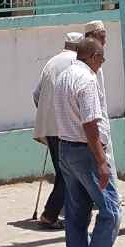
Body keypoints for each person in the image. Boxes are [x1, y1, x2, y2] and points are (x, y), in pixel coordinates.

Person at [55, 36, 121, 247]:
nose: (102, 63)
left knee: (76, 218)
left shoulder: (63, 77)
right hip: (86, 153)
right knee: (112, 212)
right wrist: (102, 162)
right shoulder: (87, 79)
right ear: (92, 57)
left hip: (66, 149)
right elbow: (90, 124)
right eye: (101, 58)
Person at [33, 31, 83, 228]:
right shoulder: (76, 63)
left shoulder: (51, 62)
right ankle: (50, 214)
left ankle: (59, 212)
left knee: (64, 171)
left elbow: (36, 95)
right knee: (68, 173)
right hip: (67, 126)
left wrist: (47, 114)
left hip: (49, 126)